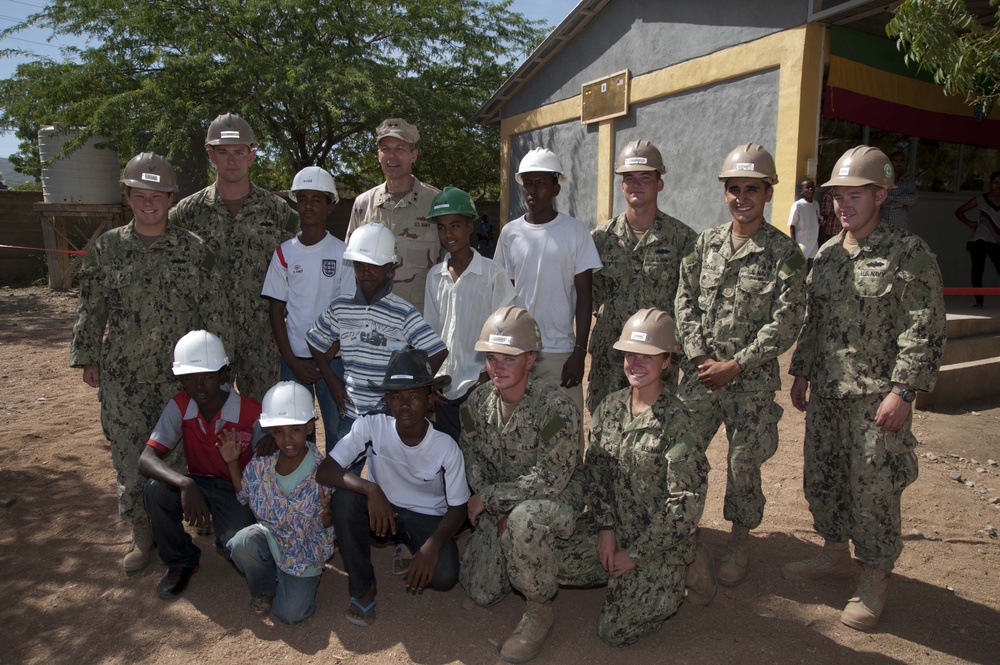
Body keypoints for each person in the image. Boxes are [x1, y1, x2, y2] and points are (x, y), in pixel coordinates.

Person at [785, 145, 946, 630]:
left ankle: (875, 575)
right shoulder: (830, 255)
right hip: (830, 396)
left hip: (878, 400)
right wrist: (801, 371)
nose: (843, 206)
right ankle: (834, 552)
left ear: (880, 195)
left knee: (875, 490)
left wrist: (905, 390)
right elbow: (815, 323)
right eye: (837, 197)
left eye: (855, 196)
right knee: (824, 478)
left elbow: (925, 325)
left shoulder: (908, 253)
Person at [70, 152, 228, 573]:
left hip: (179, 379)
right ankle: (141, 533)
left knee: (176, 455)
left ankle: (173, 528)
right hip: (122, 376)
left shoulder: (194, 251)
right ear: (128, 197)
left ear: (171, 197)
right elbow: (92, 307)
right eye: (139, 195)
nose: (148, 203)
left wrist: (216, 367)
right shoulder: (107, 248)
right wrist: (87, 356)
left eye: (156, 195)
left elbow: (214, 312)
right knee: (127, 455)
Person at [674, 143, 805, 587]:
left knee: (743, 465)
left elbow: (786, 321)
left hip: (749, 381)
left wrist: (737, 363)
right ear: (724, 192)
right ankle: (684, 537)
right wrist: (698, 356)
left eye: (753, 188)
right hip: (701, 377)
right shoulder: (704, 244)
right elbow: (684, 301)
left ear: (768, 193)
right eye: (734, 188)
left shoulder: (784, 254)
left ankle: (739, 541)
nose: (742, 197)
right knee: (681, 454)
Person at [558, 308, 715, 646]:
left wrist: (636, 555)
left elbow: (685, 506)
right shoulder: (610, 408)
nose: (636, 363)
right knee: (551, 560)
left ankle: (687, 565)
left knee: (614, 630)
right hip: (617, 526)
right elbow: (596, 473)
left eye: (648, 356)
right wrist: (606, 528)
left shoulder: (679, 424)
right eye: (630, 354)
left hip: (658, 542)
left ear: (666, 363)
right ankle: (624, 574)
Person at [459, 306, 582, 663]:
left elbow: (552, 477)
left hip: (555, 496)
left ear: (531, 359)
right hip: (501, 502)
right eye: (491, 358)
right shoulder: (476, 404)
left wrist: (493, 499)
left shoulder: (554, 407)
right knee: (481, 590)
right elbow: (474, 459)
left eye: (508, 359)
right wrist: (491, 501)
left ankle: (538, 609)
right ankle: (520, 547)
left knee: (524, 523)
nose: (497, 368)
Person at [317, 349, 468, 627]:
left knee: (445, 575)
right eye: (397, 397)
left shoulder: (446, 445)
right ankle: (363, 590)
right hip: (382, 511)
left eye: (414, 396)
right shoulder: (372, 425)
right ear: (386, 400)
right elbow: (326, 470)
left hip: (426, 517)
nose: (405, 405)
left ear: (430, 398)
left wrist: (432, 546)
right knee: (345, 500)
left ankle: (410, 544)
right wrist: (370, 489)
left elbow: (459, 507)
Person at [170, 112, 299, 401]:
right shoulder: (187, 213)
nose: (231, 161)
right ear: (211, 155)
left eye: (239, 152)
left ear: (251, 156)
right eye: (223, 152)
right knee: (212, 421)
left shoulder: (278, 213)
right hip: (207, 335)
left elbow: (299, 271)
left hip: (263, 337)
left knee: (266, 419)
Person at [139, 330, 261, 599]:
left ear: (223, 374)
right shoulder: (181, 405)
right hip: (198, 482)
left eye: (207, 376)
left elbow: (269, 463)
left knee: (239, 543)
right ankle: (181, 561)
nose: (199, 386)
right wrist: (185, 483)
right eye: (189, 379)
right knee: (154, 489)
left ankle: (228, 536)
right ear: (180, 379)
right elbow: (146, 459)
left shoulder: (251, 411)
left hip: (236, 488)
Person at [306, 223, 448, 443]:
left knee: (385, 472)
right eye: (360, 266)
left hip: (388, 416)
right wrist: (332, 380)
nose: (366, 272)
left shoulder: (402, 311)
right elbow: (315, 340)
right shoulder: (341, 307)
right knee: (342, 471)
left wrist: (407, 389)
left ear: (390, 267)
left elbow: (437, 351)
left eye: (374, 266)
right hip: (351, 413)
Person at [493, 147, 603, 426]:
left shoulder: (575, 232)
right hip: (518, 351)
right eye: (527, 183)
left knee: (564, 429)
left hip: (560, 353)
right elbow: (503, 296)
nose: (532, 190)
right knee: (520, 430)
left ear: (556, 187)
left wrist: (579, 351)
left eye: (540, 183)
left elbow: (585, 297)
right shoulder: (510, 233)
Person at [588, 140, 696, 411]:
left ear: (659, 183)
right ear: (621, 185)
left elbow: (691, 302)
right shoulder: (600, 239)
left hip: (656, 362)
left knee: (655, 435)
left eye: (645, 177)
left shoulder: (682, 239)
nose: (635, 184)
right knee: (605, 433)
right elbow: (590, 296)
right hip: (611, 360)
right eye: (628, 178)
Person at [220, 381, 336, 623]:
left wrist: (328, 512)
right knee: (240, 543)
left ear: (309, 427)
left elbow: (328, 527)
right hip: (272, 536)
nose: (287, 439)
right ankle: (265, 586)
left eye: (295, 430)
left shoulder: (323, 471)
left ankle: (288, 580)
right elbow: (244, 493)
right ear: (270, 433)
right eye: (278, 432)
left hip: (304, 554)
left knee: (290, 614)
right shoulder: (263, 463)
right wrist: (232, 462)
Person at [262, 166, 354, 447]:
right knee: (296, 437)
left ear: (330, 206)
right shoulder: (284, 252)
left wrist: (326, 359)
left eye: (317, 199)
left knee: (339, 432)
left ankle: (336, 490)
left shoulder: (343, 253)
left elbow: (348, 313)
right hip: (293, 362)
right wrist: (291, 360)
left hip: (334, 359)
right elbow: (276, 310)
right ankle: (305, 489)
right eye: (303, 199)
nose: (309, 205)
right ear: (296, 204)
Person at [423, 186, 516, 441]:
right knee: (449, 456)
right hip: (444, 389)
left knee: (481, 452)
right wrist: (430, 380)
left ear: (470, 226)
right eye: (441, 227)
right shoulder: (434, 277)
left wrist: (487, 375)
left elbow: (509, 329)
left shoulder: (491, 274)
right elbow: (430, 334)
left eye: (455, 225)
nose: (448, 233)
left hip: (479, 384)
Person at [346, 118, 440, 312]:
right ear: (378, 155)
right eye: (386, 149)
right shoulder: (363, 204)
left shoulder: (435, 203)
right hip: (372, 318)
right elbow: (349, 267)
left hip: (420, 320)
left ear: (413, 155)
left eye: (400, 148)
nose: (392, 156)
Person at [954, 171, 1000, 308]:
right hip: (980, 239)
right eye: (995, 182)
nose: (998, 185)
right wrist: (969, 223)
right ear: (990, 183)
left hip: (996, 240)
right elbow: (959, 211)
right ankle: (979, 300)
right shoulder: (981, 199)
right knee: (977, 270)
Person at [879, 150, 917, 232]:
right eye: (895, 161)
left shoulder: (907, 183)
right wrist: (901, 202)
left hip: (901, 226)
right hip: (882, 226)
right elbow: (878, 199)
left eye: (901, 161)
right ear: (889, 162)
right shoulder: (881, 181)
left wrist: (890, 197)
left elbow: (912, 200)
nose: (899, 164)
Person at [787, 178, 820, 269]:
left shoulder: (816, 204)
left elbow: (817, 220)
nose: (810, 189)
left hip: (813, 242)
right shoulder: (798, 205)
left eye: (812, 187)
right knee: (797, 267)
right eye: (807, 187)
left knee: (811, 266)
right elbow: (792, 225)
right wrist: (794, 244)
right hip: (802, 242)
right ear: (801, 191)